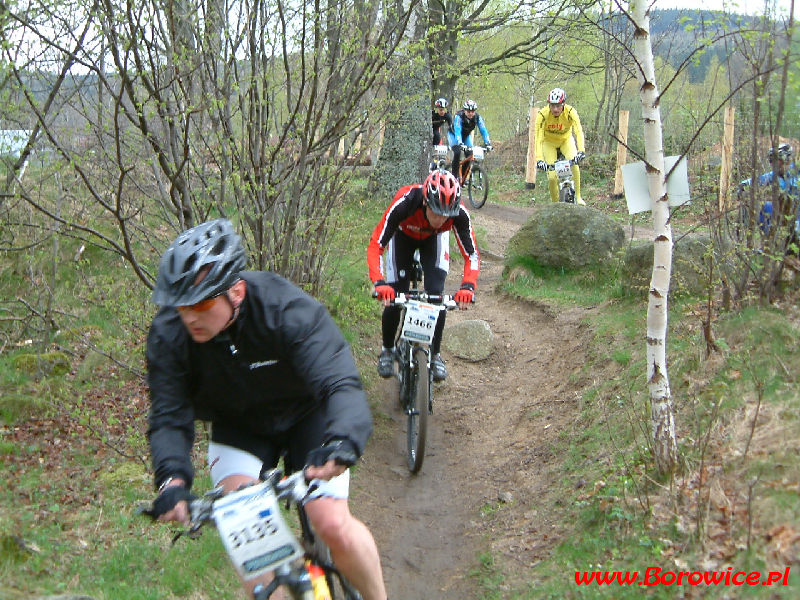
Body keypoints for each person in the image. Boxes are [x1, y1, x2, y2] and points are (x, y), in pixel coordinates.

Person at [145, 219, 388, 600]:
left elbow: (337, 379)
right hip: (239, 427)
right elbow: (168, 414)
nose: (189, 315)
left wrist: (343, 438)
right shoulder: (169, 335)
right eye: (180, 305)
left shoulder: (283, 308)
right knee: (253, 547)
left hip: (308, 416)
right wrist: (172, 479)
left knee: (332, 523)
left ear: (236, 291)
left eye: (203, 302)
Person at [368, 169, 479, 382]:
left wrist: (468, 286)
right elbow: (376, 245)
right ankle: (388, 349)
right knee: (394, 295)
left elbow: (471, 254)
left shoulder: (459, 215)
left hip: (434, 241)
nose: (440, 219)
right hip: (402, 237)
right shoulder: (405, 202)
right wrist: (379, 282)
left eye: (446, 215)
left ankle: (435, 354)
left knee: (437, 296)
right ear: (426, 203)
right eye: (436, 212)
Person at [535, 87, 587, 205]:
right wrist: (539, 160)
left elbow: (578, 131)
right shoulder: (542, 115)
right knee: (552, 177)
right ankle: (555, 204)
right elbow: (537, 138)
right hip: (549, 143)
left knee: (574, 163)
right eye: (552, 105)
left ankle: (578, 197)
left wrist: (581, 150)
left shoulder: (570, 112)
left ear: (563, 104)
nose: (555, 109)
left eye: (558, 105)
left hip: (565, 140)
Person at [739, 143, 798, 238]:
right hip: (785, 212)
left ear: (786, 160)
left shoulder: (795, 175)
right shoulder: (776, 174)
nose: (772, 164)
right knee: (764, 208)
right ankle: (769, 242)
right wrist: (745, 184)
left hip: (796, 214)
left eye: (776, 161)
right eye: (771, 161)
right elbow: (761, 179)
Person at [448, 99, 493, 183]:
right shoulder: (459, 116)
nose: (470, 113)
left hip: (466, 136)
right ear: (464, 110)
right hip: (453, 135)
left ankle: (464, 177)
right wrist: (460, 143)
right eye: (468, 111)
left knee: (470, 155)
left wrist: (488, 143)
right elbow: (457, 130)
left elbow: (483, 130)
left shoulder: (477, 118)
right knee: (457, 152)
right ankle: (454, 178)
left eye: (472, 111)